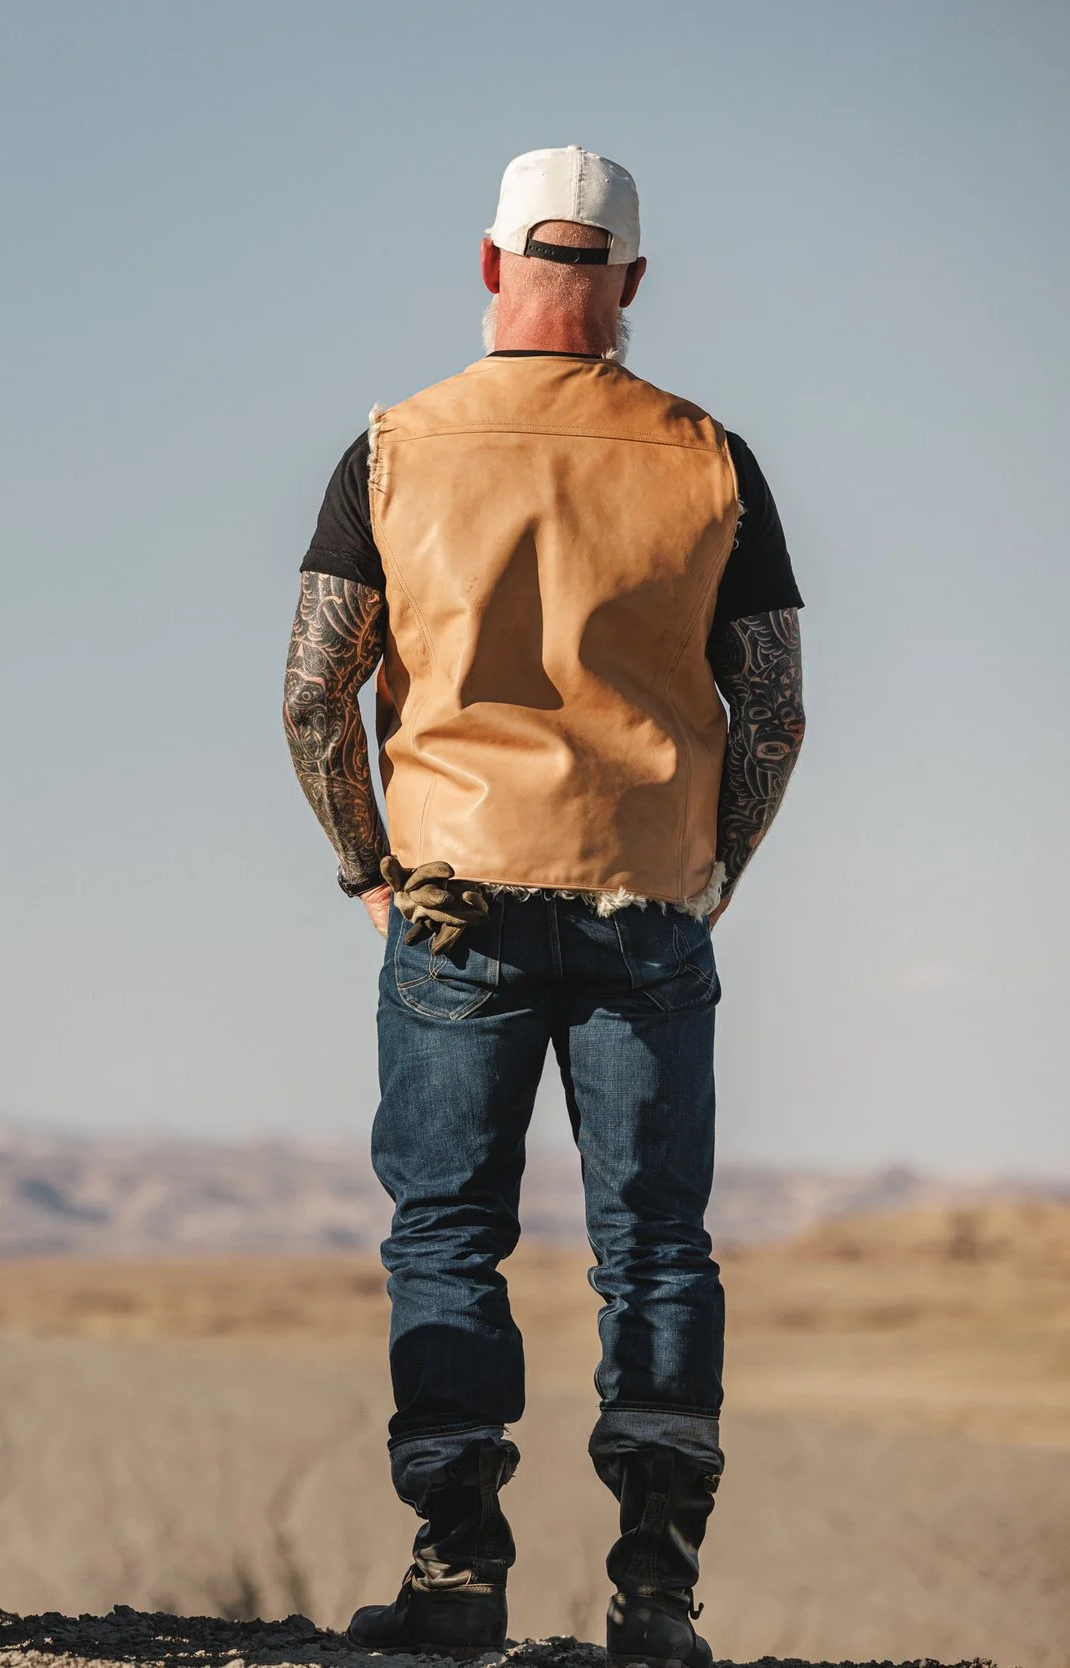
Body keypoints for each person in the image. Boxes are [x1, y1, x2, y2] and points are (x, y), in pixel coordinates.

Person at [280, 146, 806, 1668]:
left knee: (449, 1236)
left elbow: (316, 690)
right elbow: (770, 710)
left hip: (452, 905)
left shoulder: (395, 447)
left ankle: (457, 1576)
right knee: (655, 1250)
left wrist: (362, 864)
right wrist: (716, 875)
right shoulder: (709, 455)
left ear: (492, 264)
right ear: (632, 285)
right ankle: (655, 1597)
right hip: (649, 901)